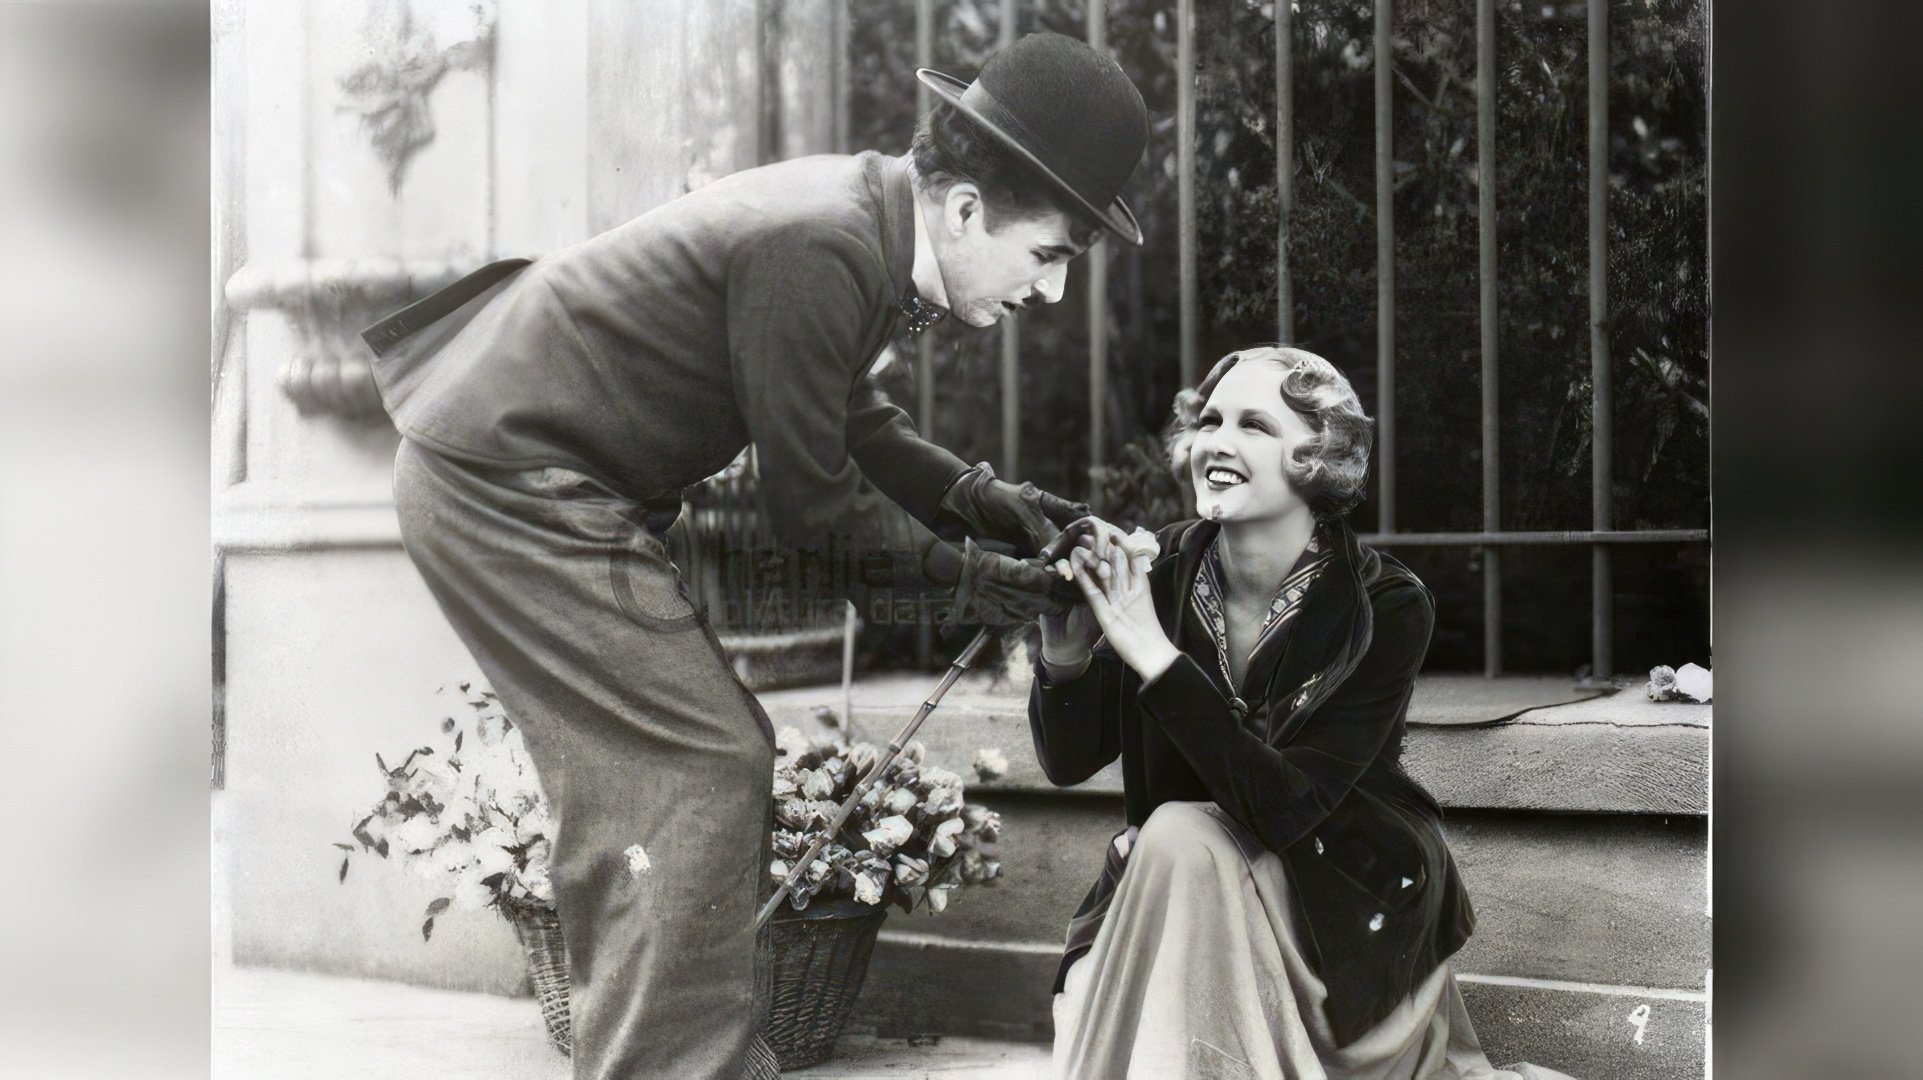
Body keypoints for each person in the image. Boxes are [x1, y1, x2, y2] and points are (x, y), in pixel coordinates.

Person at [362, 32, 1148, 1080]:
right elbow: (813, 510)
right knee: (694, 760)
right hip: (505, 484)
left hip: (527, 477)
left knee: (660, 771)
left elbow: (851, 423)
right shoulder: (823, 242)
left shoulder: (860, 217)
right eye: (1049, 255)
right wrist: (974, 581)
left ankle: (667, 1059)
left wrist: (979, 500)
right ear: (965, 210)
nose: (1048, 293)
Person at [1031, 347, 1578, 1079]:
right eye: (1210, 420)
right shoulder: (1161, 569)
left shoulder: (1384, 604)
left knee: (1173, 835)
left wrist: (1153, 655)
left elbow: (1288, 810)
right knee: (1172, 840)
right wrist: (1063, 656)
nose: (1216, 443)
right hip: (1183, 878)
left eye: (1254, 425)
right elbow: (1068, 763)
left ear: (1318, 457)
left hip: (1332, 898)